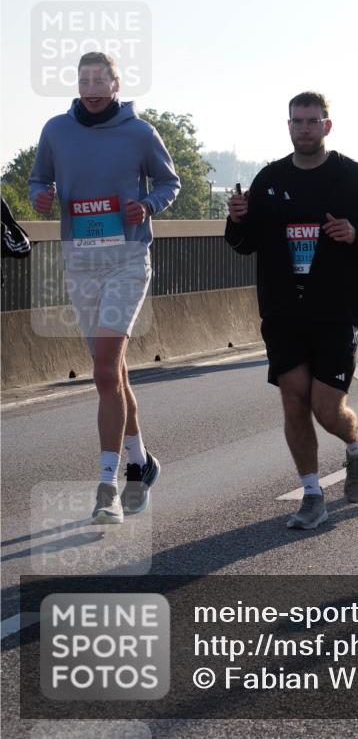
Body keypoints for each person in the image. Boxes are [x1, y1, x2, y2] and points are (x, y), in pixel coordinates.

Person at [226, 91, 358, 529]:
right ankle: (311, 493)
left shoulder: (354, 178)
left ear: (327, 125)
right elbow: (243, 245)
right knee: (292, 400)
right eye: (296, 121)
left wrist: (355, 234)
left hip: (336, 309)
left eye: (312, 121)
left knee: (326, 409)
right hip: (283, 310)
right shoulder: (268, 180)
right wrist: (238, 218)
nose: (304, 128)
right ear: (288, 126)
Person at [29, 52, 180, 524]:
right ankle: (141, 462)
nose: (92, 87)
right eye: (84, 79)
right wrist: (41, 197)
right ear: (77, 84)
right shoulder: (56, 130)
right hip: (80, 260)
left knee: (102, 372)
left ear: (116, 84)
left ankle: (106, 487)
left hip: (127, 260)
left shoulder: (139, 132)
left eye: (101, 79)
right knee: (112, 372)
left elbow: (168, 182)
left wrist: (148, 205)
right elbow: (38, 181)